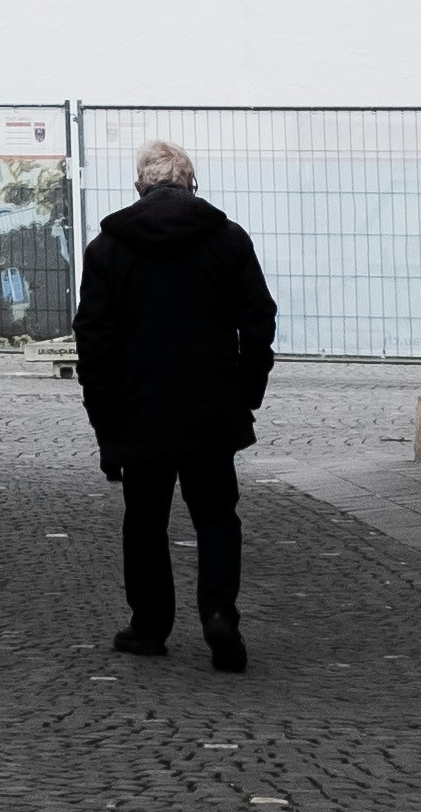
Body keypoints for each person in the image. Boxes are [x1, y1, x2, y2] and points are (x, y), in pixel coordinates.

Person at [75, 141, 278, 671]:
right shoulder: (228, 241)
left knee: (145, 521)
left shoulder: (107, 250)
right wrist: (245, 393)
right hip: (210, 406)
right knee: (216, 516)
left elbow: (93, 345)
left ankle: (148, 627)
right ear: (192, 184)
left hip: (138, 410)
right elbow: (258, 322)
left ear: (139, 188)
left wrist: (105, 424)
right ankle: (218, 614)